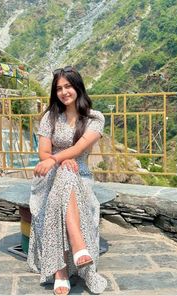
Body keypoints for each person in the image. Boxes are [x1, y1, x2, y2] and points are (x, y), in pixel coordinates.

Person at [27, 66, 107, 295]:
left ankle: (60, 272)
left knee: (68, 172)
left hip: (79, 174)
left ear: (77, 87)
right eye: (59, 88)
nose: (64, 92)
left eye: (68, 86)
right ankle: (78, 246)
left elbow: (79, 148)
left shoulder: (94, 118)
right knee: (64, 170)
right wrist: (59, 162)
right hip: (50, 174)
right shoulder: (49, 118)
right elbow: (43, 153)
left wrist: (58, 160)